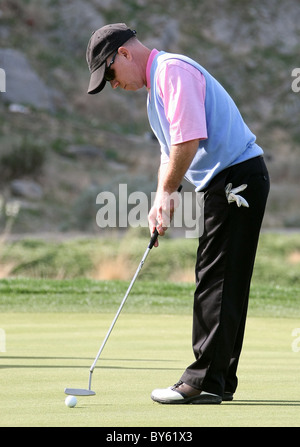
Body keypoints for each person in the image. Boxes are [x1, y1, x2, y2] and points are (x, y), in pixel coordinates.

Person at [86, 23, 270, 404]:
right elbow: (169, 152)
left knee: (216, 277)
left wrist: (169, 191)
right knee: (224, 278)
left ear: (123, 54)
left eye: (110, 74)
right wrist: (160, 199)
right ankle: (219, 379)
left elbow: (189, 139)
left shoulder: (172, 71)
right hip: (229, 180)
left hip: (237, 177)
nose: (113, 85)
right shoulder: (156, 91)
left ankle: (202, 381)